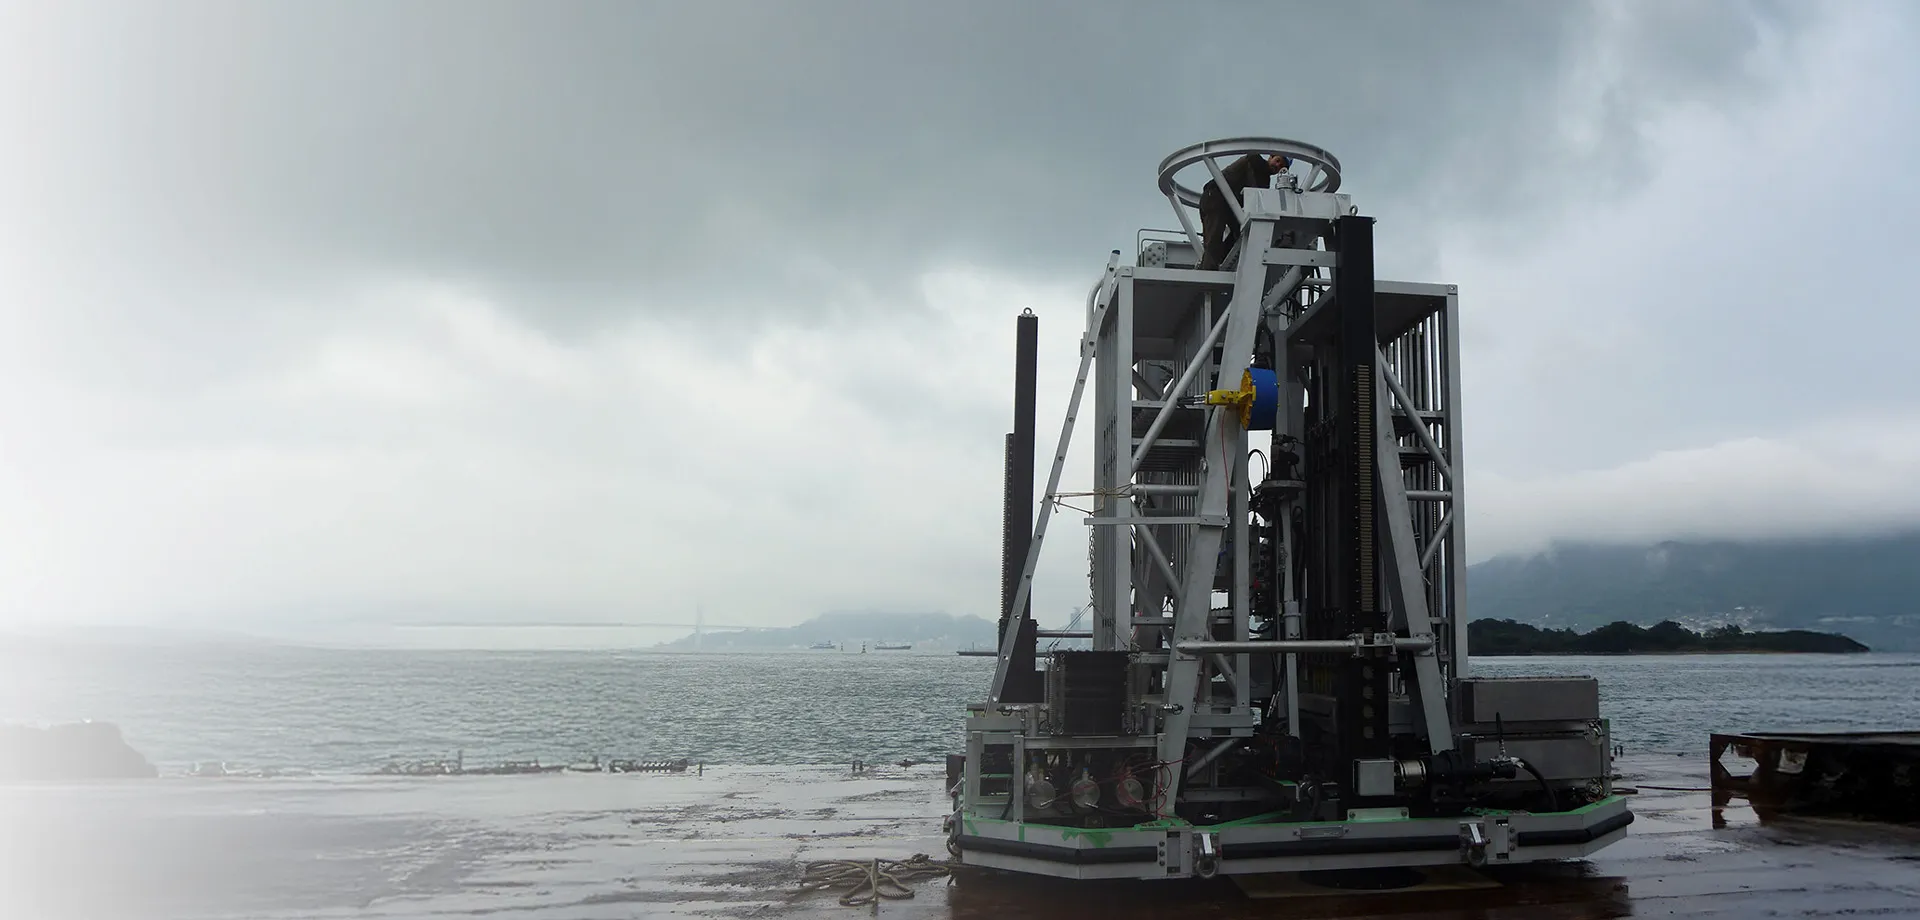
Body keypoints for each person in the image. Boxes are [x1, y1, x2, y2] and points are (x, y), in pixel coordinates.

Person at [1199, 153, 1290, 270]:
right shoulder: (1255, 160)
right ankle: (1208, 275)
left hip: (1228, 204)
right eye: (1277, 161)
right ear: (1270, 157)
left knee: (1241, 233)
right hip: (1215, 198)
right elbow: (1256, 194)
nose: (1277, 166)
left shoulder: (1263, 177)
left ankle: (1221, 261)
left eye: (1281, 166)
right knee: (1214, 239)